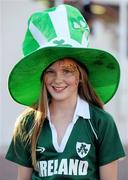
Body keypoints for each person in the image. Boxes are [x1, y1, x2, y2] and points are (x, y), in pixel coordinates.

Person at [6, 4, 125, 180]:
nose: (58, 79)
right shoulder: (27, 123)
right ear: (42, 78)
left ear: (80, 76)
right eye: (50, 71)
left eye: (68, 70)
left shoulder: (101, 123)